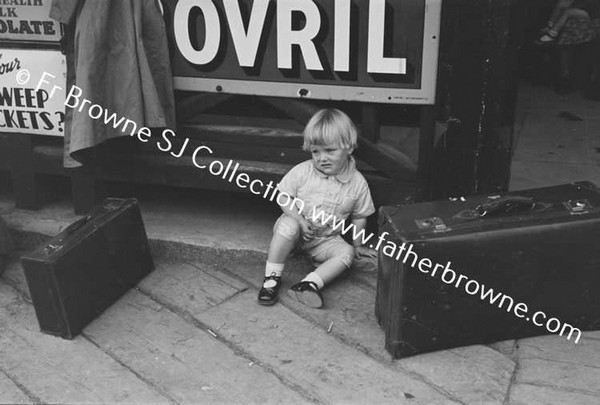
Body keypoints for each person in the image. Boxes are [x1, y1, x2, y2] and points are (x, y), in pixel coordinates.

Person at [257, 108, 377, 308]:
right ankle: (271, 279)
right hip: (296, 234)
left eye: (330, 150)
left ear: (348, 147)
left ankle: (309, 284)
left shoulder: (357, 183)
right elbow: (283, 196)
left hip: (325, 240)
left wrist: (357, 245)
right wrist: (299, 219)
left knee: (345, 253)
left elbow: (359, 216)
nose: (321, 158)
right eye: (315, 151)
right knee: (288, 225)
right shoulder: (303, 172)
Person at [536, 0, 600, 44]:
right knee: (561, 3)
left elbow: (590, 5)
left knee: (568, 12)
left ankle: (552, 35)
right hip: (583, 7)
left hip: (591, 13)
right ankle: (550, 26)